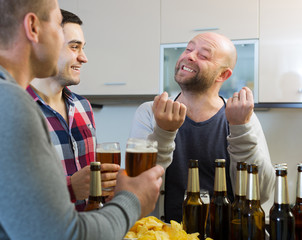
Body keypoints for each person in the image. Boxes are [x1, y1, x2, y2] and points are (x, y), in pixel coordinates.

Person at [0, 0, 164, 239]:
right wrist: (133, 199)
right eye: (58, 26)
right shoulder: (12, 104)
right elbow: (61, 234)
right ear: (33, 27)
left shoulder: (15, 99)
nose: (84, 58)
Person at [129, 32, 275, 223]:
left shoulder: (241, 117)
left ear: (223, 74)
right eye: (189, 49)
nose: (189, 56)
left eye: (203, 55)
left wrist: (241, 129)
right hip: (163, 235)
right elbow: (135, 184)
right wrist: (163, 132)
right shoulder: (150, 112)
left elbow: (261, 193)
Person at [26, 9, 119, 211]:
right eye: (74, 47)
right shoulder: (17, 108)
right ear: (45, 45)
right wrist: (70, 188)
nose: (84, 58)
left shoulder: (83, 106)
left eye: (83, 48)